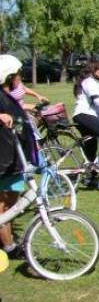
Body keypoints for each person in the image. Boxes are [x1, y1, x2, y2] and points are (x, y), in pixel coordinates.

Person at [0, 55, 38, 259]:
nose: (20, 76)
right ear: (9, 76)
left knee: (12, 204)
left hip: (14, 159)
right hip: (4, 160)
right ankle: (9, 247)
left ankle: (8, 242)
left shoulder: (8, 96)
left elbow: (15, 112)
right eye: (17, 74)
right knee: (3, 206)